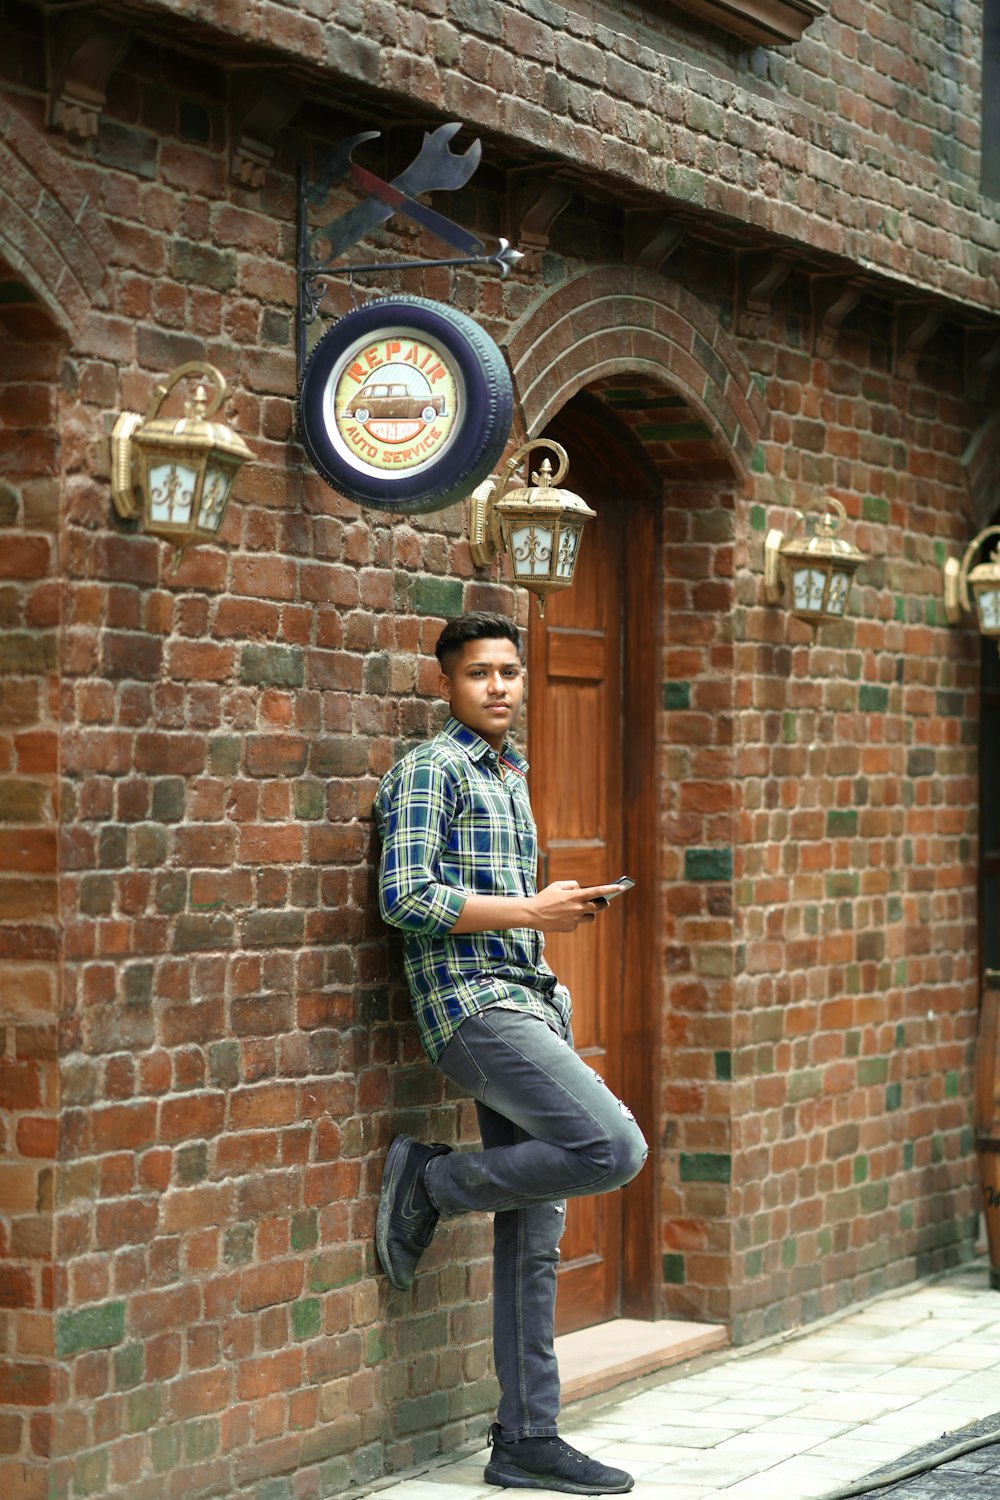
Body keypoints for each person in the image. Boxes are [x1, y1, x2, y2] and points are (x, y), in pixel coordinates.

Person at [373, 611, 648, 1497]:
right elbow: (405, 897)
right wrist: (533, 912)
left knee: (536, 1229)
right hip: (474, 1012)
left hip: (526, 1001)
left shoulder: (510, 774)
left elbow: (492, 903)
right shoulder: (431, 769)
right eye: (479, 673)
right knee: (612, 1148)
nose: (499, 686)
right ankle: (432, 1184)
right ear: (446, 684)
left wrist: (543, 925)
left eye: (510, 672)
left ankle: (527, 1437)